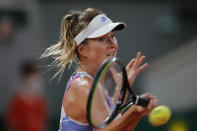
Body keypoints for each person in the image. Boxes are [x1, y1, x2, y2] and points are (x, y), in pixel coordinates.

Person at [41, 8, 158, 131]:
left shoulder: (93, 86)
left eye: (113, 36)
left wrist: (120, 90)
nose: (112, 43)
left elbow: (113, 122)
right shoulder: (84, 86)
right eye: (102, 39)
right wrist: (135, 111)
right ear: (82, 50)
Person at [6, 61, 48, 131]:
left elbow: (43, 124)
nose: (35, 80)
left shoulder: (40, 101)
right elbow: (11, 125)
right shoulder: (17, 101)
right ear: (25, 77)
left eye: (36, 76)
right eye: (32, 76)